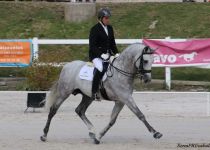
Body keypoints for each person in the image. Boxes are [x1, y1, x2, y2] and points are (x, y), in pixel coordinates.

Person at [89, 8, 119, 100]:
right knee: (101, 68)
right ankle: (94, 92)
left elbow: (112, 43)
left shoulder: (110, 28)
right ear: (101, 18)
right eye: (106, 18)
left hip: (108, 55)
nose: (108, 20)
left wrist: (117, 53)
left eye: (108, 18)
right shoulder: (94, 29)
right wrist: (101, 54)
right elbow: (92, 46)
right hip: (96, 55)